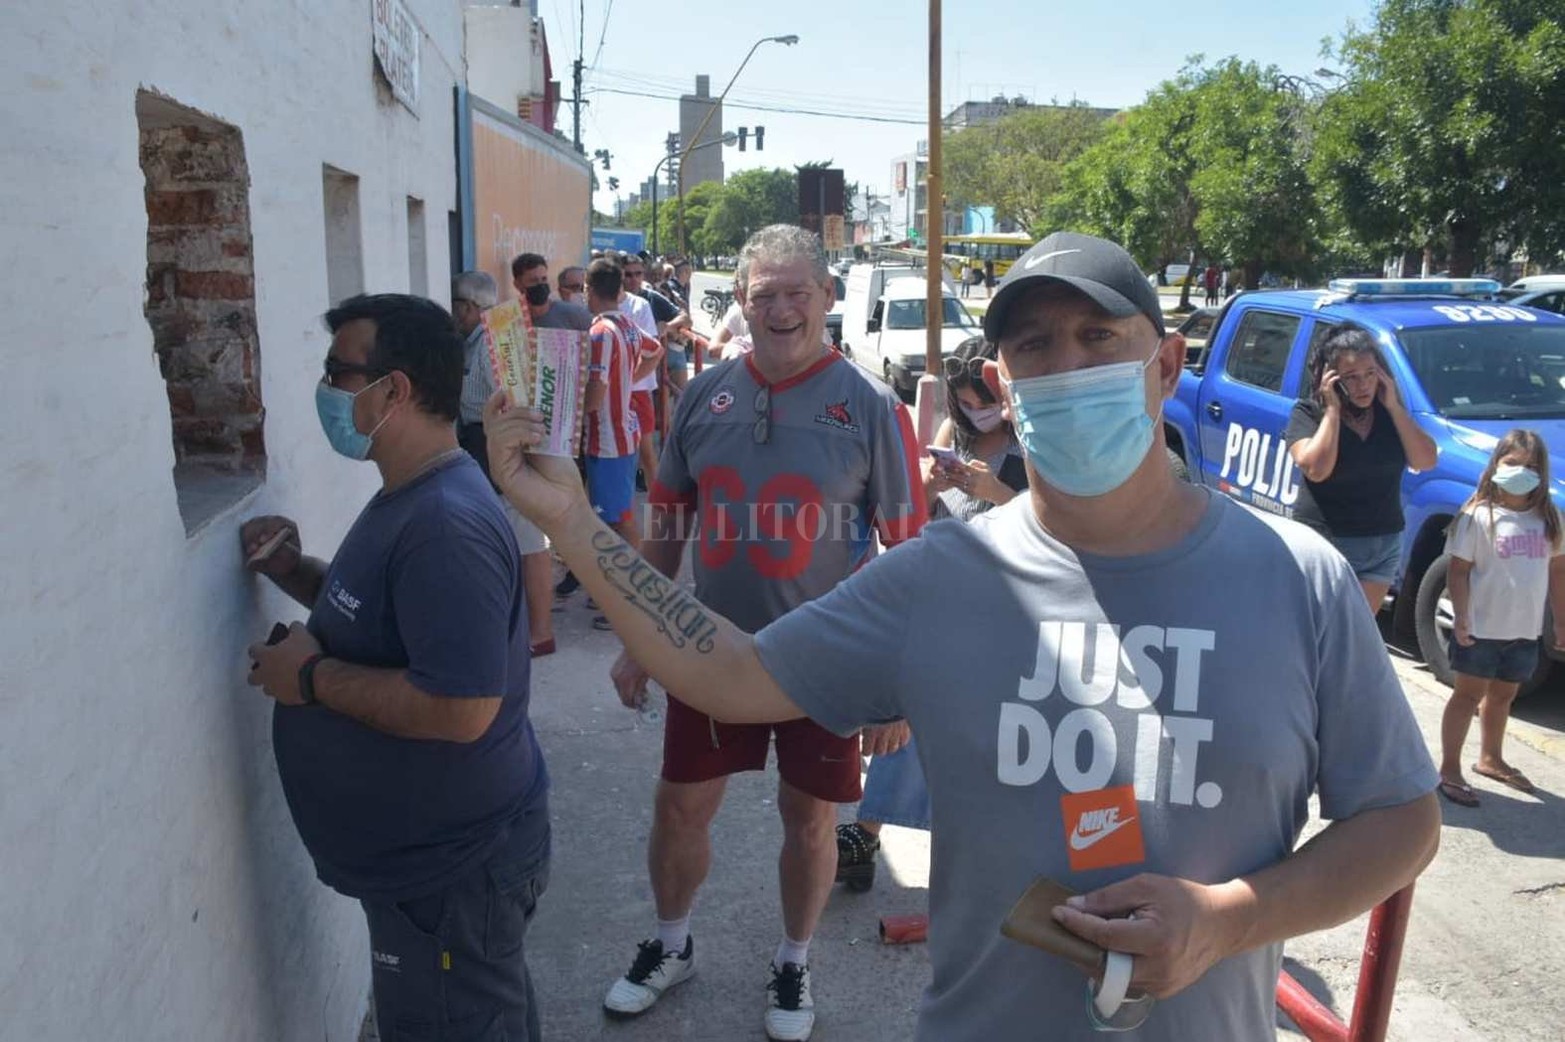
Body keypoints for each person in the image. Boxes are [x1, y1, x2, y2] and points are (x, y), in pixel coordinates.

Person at [484, 230, 1442, 1041]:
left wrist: (1231, 920)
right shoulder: (941, 577)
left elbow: (1400, 819)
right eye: (1034, 347)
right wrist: (572, 523)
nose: (1067, 368)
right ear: (1000, 382)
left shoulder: (1299, 578)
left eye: (1098, 338)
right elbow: (730, 674)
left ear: (1164, 365)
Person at [597, 225, 924, 1040]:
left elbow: (909, 555)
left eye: (795, 293)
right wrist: (641, 638)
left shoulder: (871, 406)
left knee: (808, 820)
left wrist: (896, 687)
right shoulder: (704, 396)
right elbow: (667, 526)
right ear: (739, 302)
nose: (779, 310)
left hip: (827, 660)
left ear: (827, 297)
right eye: (762, 295)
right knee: (679, 807)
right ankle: (671, 944)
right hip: (710, 650)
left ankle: (793, 960)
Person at [243, 293, 551, 1041]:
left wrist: (309, 680)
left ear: (394, 391)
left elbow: (461, 708)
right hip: (434, 868)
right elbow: (390, 622)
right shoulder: (413, 496)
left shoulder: (443, 524)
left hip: (451, 873)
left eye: (337, 373)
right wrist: (296, 571)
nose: (326, 390)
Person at [836, 335, 1030, 891]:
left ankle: (953, 848)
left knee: (973, 735)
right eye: (964, 403)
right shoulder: (955, 433)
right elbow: (912, 516)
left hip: (1004, 605)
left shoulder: (1034, 444)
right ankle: (867, 832)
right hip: (942, 594)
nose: (975, 412)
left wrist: (996, 491)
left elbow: (1054, 525)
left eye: (983, 401)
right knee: (913, 712)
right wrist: (926, 483)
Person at [1437, 430, 1565, 806]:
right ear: (1496, 465)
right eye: (1512, 464)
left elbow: (1558, 572)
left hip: (1524, 630)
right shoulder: (1478, 517)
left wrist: (1560, 620)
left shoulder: (1549, 520)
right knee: (1467, 696)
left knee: (1504, 696)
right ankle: (1449, 767)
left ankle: (1490, 758)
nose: (1520, 473)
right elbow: (1458, 571)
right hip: (1480, 629)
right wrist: (1462, 615)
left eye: (1530, 467)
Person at [1286, 325, 1439, 608]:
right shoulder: (1308, 413)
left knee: (1359, 629)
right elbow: (1316, 470)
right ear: (1330, 378)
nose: (1364, 385)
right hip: (1327, 542)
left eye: (1370, 374)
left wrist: (1394, 407)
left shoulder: (1389, 413)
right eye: (1352, 377)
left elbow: (1426, 460)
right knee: (1322, 627)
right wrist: (1332, 410)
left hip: (1382, 544)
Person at [452, 271, 557, 656]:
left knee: (528, 542)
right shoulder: (473, 341)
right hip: (481, 444)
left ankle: (540, 633)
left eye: (455, 306)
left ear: (469, 308)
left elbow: (514, 400)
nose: (452, 313)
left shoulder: (492, 343)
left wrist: (513, 453)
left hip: (499, 444)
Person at [585, 257, 662, 630]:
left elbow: (596, 391)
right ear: (618, 290)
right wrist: (629, 380)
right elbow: (656, 350)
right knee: (617, 517)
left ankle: (636, 596)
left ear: (588, 290)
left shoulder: (601, 332)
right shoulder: (628, 326)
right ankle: (631, 591)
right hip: (622, 433)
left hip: (608, 439)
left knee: (618, 521)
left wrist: (575, 413)